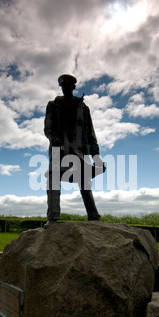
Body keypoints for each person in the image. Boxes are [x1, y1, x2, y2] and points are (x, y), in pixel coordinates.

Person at [44, 74, 105, 228]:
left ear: (73, 87)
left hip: (80, 151)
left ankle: (94, 217)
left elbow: (91, 134)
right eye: (63, 85)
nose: (65, 88)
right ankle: (52, 218)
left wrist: (96, 156)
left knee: (84, 182)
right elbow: (49, 129)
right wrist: (58, 142)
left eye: (68, 85)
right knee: (53, 177)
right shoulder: (53, 105)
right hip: (59, 150)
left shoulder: (83, 108)